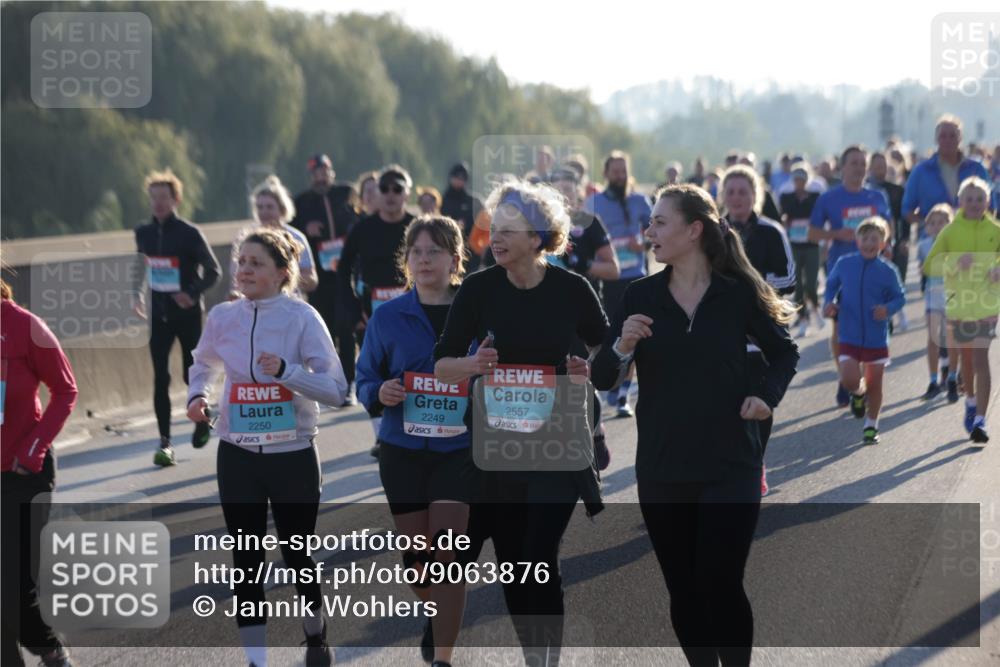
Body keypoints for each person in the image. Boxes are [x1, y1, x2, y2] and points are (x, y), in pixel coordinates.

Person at [591, 184, 798, 667]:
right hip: (664, 466)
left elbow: (784, 352)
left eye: (661, 222)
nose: (649, 232)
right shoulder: (639, 294)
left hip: (732, 461)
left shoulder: (737, 293)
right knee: (684, 588)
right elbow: (603, 376)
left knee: (720, 582)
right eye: (651, 223)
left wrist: (766, 398)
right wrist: (622, 346)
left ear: (694, 230)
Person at [434, 179, 607, 666]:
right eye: (494, 228)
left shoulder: (572, 289)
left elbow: (607, 348)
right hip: (500, 444)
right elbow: (442, 363)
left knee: (538, 556)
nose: (496, 238)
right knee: (515, 566)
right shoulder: (478, 289)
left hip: (558, 439)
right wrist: (474, 367)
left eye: (509, 230)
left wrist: (585, 366)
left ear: (539, 237)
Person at [187, 228, 347, 667]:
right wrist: (197, 396)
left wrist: (288, 372)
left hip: (292, 453)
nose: (244, 270)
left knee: (298, 553)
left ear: (282, 272)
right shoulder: (222, 317)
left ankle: (315, 637)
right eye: (241, 262)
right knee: (246, 557)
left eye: (255, 263)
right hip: (238, 453)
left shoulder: (302, 318)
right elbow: (202, 363)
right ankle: (257, 660)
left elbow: (335, 389)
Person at [355, 217, 473, 667]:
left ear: (455, 260)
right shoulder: (387, 317)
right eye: (417, 252)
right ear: (406, 262)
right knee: (418, 563)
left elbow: (497, 372)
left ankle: (443, 658)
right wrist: (378, 393)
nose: (425, 260)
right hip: (402, 451)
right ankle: (433, 611)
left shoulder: (475, 312)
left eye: (435, 251)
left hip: (458, 451)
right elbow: (365, 379)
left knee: (448, 557)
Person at [1, 280, 78, 667]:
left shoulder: (23, 325)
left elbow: (65, 391)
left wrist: (33, 449)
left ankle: (49, 649)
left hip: (22, 472)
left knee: (14, 585)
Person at [133, 168, 221, 466]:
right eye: (153, 197)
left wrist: (191, 294)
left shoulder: (189, 233)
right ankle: (165, 443)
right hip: (158, 316)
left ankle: (200, 420)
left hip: (187, 315)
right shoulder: (142, 233)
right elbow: (140, 267)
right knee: (160, 378)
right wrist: (136, 295)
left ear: (176, 199)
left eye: (164, 197)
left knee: (190, 374)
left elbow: (214, 271)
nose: (158, 203)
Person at [721, 164, 796, 496]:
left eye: (744, 192)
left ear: (756, 195)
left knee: (758, 395)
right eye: (731, 191)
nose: (737, 198)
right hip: (721, 326)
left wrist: (754, 289)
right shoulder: (712, 232)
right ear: (723, 195)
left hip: (761, 327)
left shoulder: (771, 232)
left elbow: (790, 280)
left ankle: (756, 462)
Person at [340, 165, 417, 457]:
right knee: (373, 373)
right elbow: (344, 268)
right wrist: (352, 308)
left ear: (407, 193)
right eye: (385, 189)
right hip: (370, 313)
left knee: (407, 370)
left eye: (397, 189)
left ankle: (411, 428)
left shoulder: (417, 226)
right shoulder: (363, 228)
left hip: (411, 311)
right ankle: (382, 437)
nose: (390, 195)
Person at [809, 146, 892, 408]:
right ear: (842, 167)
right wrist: (835, 234)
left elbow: (888, 229)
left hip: (875, 273)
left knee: (872, 325)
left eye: (862, 163)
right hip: (842, 271)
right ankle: (845, 378)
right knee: (840, 326)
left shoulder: (877, 197)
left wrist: (886, 247)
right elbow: (811, 233)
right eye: (853, 163)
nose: (858, 167)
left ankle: (862, 380)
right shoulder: (829, 199)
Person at [922, 177, 1000, 444]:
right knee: (967, 362)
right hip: (959, 304)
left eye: (980, 199)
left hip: (988, 305)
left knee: (981, 360)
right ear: (960, 202)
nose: (975, 203)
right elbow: (930, 265)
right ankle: (969, 401)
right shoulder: (951, 231)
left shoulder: (996, 229)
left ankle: (981, 419)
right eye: (970, 199)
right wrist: (955, 262)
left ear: (988, 202)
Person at [822, 217, 906, 445]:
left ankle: (871, 425)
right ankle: (858, 394)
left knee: (875, 384)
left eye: (875, 239)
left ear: (883, 243)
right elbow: (831, 284)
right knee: (850, 379)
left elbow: (900, 297)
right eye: (865, 238)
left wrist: (887, 309)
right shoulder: (845, 263)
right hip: (848, 333)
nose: (869, 243)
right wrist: (828, 303)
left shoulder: (888, 271)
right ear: (857, 241)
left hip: (876, 337)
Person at [584, 151, 652, 417]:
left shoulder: (639, 200)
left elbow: (656, 230)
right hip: (607, 280)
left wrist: (644, 242)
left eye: (623, 170)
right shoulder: (593, 203)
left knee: (635, 334)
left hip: (636, 276)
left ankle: (623, 394)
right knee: (611, 335)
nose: (620, 175)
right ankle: (611, 380)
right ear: (606, 173)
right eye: (615, 171)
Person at [291, 154, 360, 406]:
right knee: (326, 332)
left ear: (331, 172)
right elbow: (291, 232)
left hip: (346, 274)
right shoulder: (301, 202)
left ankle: (349, 385)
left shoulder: (346, 193)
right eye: (315, 173)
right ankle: (331, 384)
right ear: (311, 176)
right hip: (319, 279)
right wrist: (306, 228)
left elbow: (361, 216)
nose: (320, 176)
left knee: (346, 329)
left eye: (324, 171)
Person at [902, 115, 990, 238]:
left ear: (960, 138)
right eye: (943, 136)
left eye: (952, 135)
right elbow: (907, 209)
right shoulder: (921, 171)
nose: (948, 140)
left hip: (972, 238)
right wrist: (927, 225)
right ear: (936, 139)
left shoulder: (976, 168)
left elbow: (990, 206)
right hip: (934, 242)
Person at [230, 176, 317, 299]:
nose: (264, 212)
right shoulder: (245, 238)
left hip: (288, 306)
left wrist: (281, 279)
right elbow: (235, 278)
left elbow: (312, 280)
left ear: (282, 209)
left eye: (269, 207)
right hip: (252, 308)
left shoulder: (296, 237)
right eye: (260, 207)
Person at [917, 204, 958, 402]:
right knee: (933, 338)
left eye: (942, 222)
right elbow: (922, 269)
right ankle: (933, 381)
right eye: (932, 223)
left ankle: (952, 378)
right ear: (927, 227)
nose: (936, 226)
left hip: (952, 296)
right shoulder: (924, 245)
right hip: (933, 296)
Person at [780, 164, 823, 337]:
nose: (799, 183)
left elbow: (819, 218)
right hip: (794, 246)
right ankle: (803, 318)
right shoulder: (786, 197)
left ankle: (816, 308)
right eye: (796, 180)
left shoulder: (815, 197)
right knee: (796, 285)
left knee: (811, 284)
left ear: (807, 180)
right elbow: (784, 215)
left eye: (802, 180)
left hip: (812, 244)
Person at [440, 162, 484, 271]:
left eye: (462, 178)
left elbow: (483, 222)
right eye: (456, 177)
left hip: (470, 250)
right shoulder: (442, 200)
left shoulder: (474, 201)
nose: (459, 181)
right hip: (447, 247)